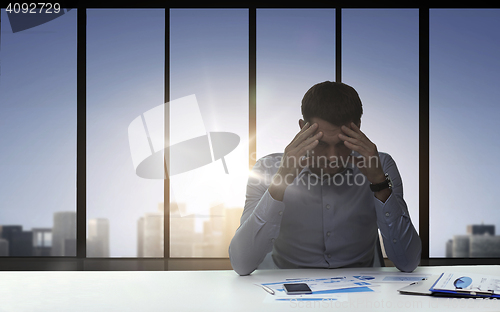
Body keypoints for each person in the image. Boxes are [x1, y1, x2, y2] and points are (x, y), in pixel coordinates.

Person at [228, 81, 421, 276]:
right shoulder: (267, 169)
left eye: (341, 144)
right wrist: (281, 181)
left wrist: (379, 184)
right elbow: (242, 264)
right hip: (285, 293)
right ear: (303, 128)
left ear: (358, 128)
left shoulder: (381, 166)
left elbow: (408, 261)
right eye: (320, 143)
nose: (332, 157)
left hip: (362, 294)